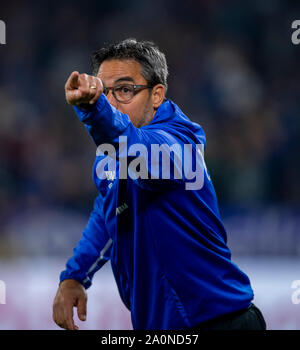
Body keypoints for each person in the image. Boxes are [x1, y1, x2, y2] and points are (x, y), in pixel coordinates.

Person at [52, 38, 266, 331]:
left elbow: (137, 153)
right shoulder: (110, 158)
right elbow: (109, 216)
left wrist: (94, 110)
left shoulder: (181, 143)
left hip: (218, 322)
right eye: (105, 92)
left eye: (125, 90)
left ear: (157, 95)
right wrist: (74, 276)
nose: (111, 102)